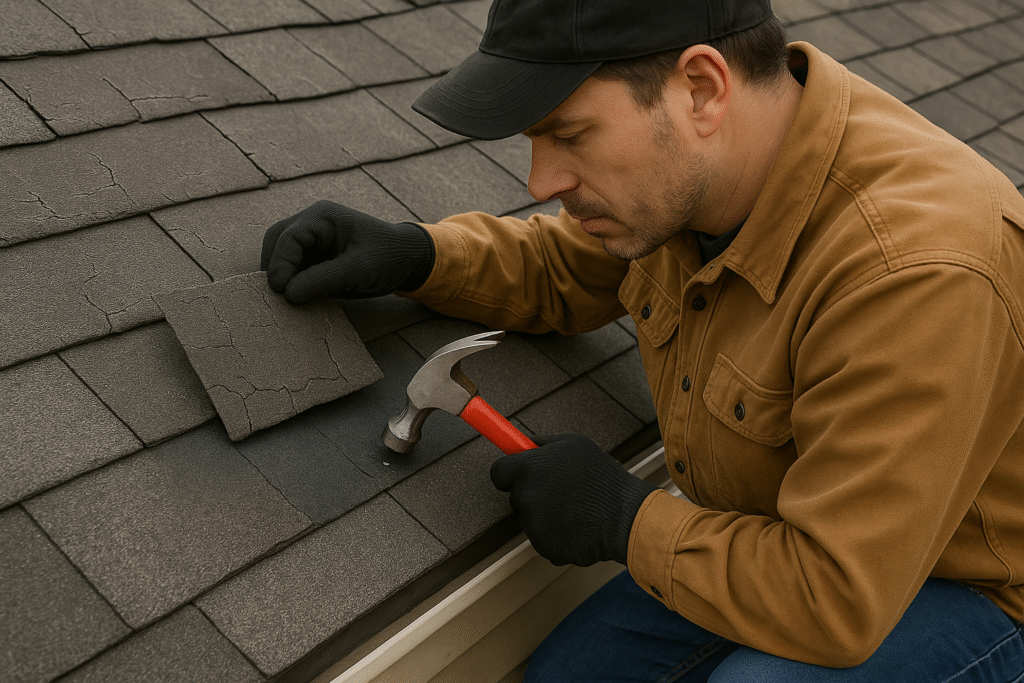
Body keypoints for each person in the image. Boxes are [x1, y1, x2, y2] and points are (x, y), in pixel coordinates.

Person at [260, 0, 1024, 679]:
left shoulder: (915, 270)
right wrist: (415, 255)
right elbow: (568, 268)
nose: (541, 180)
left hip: (968, 586)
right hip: (769, 533)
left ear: (701, 88)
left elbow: (835, 596)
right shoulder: (696, 173)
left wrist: (626, 520)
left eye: (568, 132)